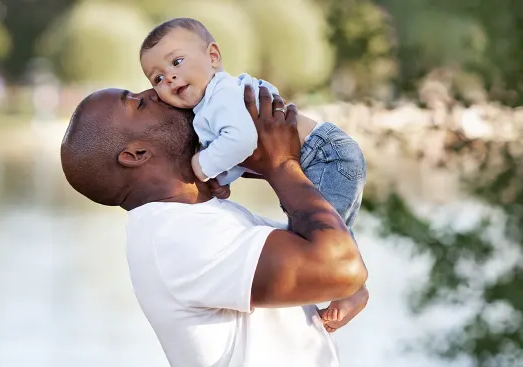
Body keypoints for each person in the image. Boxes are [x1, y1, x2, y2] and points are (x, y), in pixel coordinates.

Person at [60, 85, 368, 366]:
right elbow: (341, 268)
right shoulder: (175, 237)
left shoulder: (194, 219)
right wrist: (279, 165)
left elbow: (320, 253)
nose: (154, 91)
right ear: (136, 154)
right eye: (138, 103)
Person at [139, 17, 368, 327]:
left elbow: (242, 141)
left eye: (177, 62)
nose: (170, 77)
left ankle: (351, 288)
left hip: (323, 156)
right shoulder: (216, 99)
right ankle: (352, 288)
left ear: (213, 57)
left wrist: (202, 167)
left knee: (313, 238)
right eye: (157, 78)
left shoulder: (219, 96)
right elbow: (243, 147)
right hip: (326, 152)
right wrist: (224, 177)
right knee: (332, 226)